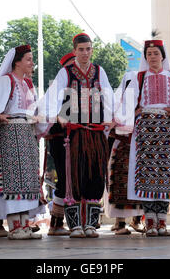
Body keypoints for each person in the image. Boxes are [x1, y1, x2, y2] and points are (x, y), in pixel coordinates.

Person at [39, 33, 114, 238]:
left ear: (91, 50)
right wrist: (57, 116)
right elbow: (53, 96)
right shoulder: (66, 72)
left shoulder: (99, 71)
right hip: (73, 133)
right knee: (75, 176)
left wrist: (111, 117)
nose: (84, 53)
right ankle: (75, 226)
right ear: (75, 51)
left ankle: (90, 224)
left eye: (88, 49)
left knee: (95, 175)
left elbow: (108, 96)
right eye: (80, 49)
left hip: (96, 132)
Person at [115, 40, 170, 237]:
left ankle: (162, 222)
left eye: (156, 53)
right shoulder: (139, 78)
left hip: (168, 130)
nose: (152, 57)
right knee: (147, 175)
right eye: (149, 54)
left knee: (166, 175)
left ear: (163, 56)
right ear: (145, 57)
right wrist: (134, 111)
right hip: (146, 132)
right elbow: (125, 102)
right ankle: (150, 221)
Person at [0, 45, 42, 240]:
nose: (32, 63)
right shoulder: (7, 81)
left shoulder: (28, 84)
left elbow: (34, 110)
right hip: (10, 133)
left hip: (26, 134)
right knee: (13, 180)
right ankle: (14, 227)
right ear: (17, 62)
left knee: (27, 181)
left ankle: (24, 224)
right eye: (28, 59)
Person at [105, 70, 144, 235]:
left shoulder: (144, 103)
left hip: (141, 148)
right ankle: (120, 222)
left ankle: (137, 220)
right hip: (122, 147)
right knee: (119, 184)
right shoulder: (116, 104)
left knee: (141, 184)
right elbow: (113, 124)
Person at [45, 52, 76, 236]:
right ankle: (56, 223)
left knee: (76, 179)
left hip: (79, 139)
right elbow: (48, 110)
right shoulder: (58, 88)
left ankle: (74, 222)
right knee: (65, 179)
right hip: (61, 139)